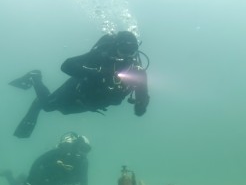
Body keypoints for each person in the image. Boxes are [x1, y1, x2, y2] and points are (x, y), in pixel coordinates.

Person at [8, 30, 150, 138]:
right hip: (76, 90)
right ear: (116, 47)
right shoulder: (101, 56)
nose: (128, 56)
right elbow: (66, 66)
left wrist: (141, 105)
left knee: (63, 111)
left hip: (91, 104)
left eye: (132, 52)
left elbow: (142, 96)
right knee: (48, 106)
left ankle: (39, 100)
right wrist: (99, 72)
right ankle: (35, 77)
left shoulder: (137, 71)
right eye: (124, 51)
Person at [0, 132, 91, 185]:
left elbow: (84, 179)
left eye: (86, 150)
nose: (83, 152)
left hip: (53, 184)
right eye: (82, 148)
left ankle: (22, 178)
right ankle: (8, 174)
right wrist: (29, 181)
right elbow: (38, 162)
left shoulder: (83, 163)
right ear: (77, 145)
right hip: (41, 176)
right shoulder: (62, 152)